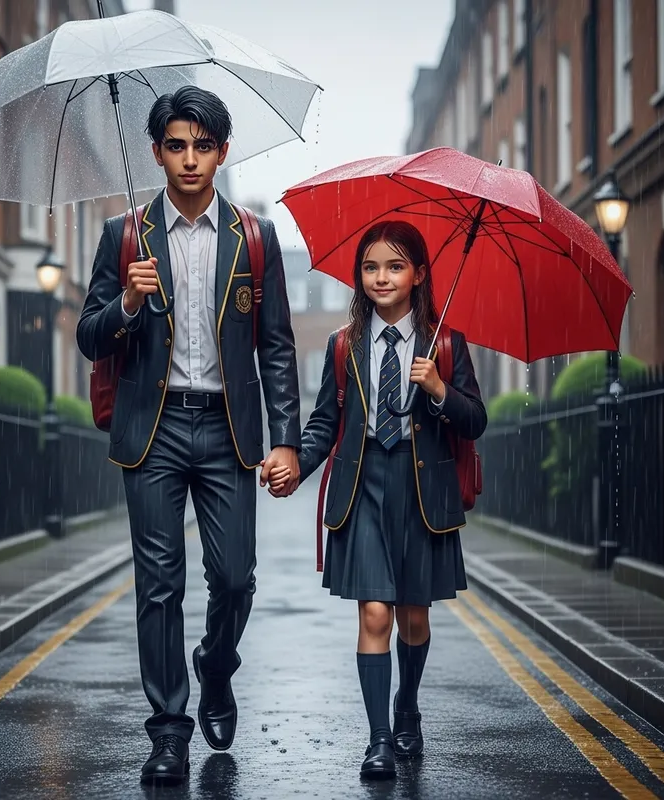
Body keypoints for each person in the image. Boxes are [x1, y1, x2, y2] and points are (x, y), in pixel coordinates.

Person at [77, 86, 301, 786]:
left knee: (235, 579)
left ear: (222, 152)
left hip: (230, 430)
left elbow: (279, 348)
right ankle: (169, 731)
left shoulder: (255, 239)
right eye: (176, 145)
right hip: (154, 427)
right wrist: (127, 302)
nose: (190, 159)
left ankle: (215, 663)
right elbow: (89, 336)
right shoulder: (123, 237)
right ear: (157, 153)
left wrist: (288, 438)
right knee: (159, 585)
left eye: (203, 146)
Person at [265, 220, 486, 780]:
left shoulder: (448, 344)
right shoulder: (344, 346)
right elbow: (324, 424)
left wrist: (438, 389)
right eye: (370, 267)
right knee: (375, 612)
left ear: (417, 274)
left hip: (421, 491)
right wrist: (295, 462)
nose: (381, 277)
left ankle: (407, 706)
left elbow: (475, 420)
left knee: (414, 615)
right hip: (363, 485)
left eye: (394, 266)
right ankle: (380, 740)